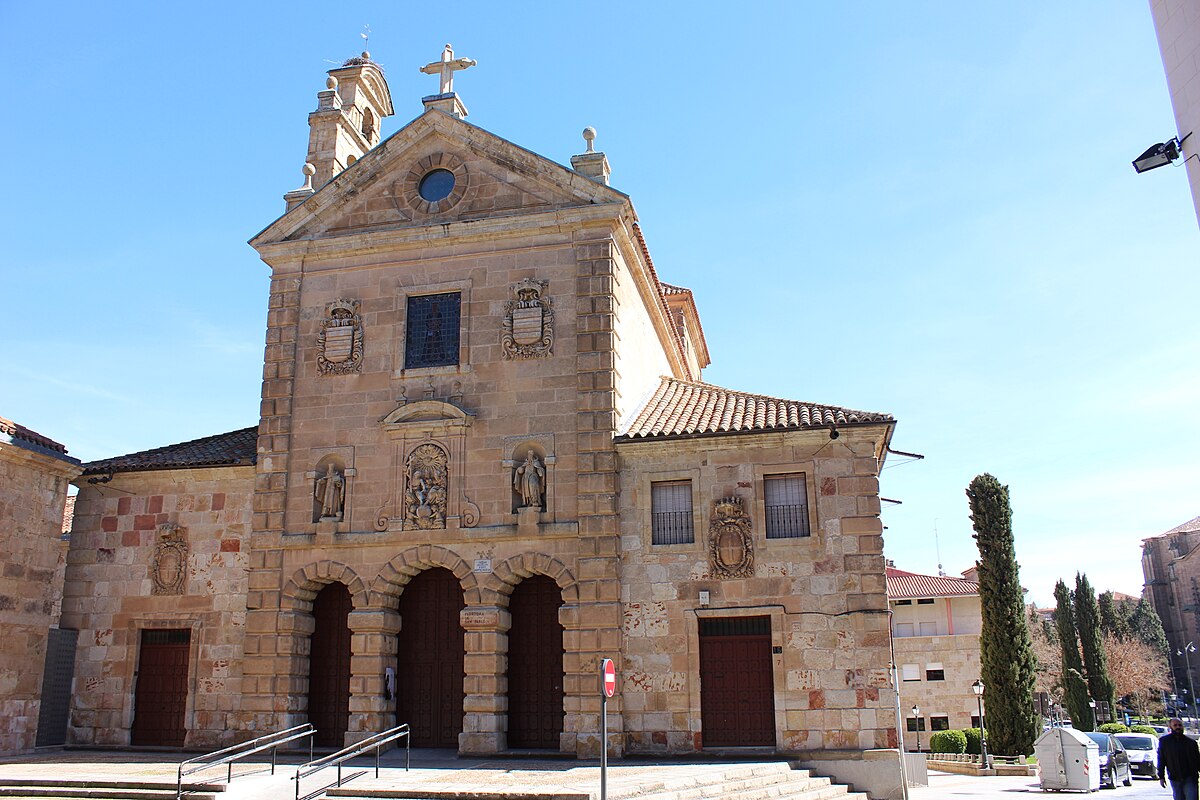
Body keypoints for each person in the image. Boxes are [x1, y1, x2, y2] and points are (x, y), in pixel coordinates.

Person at [1159, 717, 1200, 800]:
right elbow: (1161, 759)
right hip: (1175, 777)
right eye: (1175, 725)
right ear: (1170, 727)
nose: (1178, 727)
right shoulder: (1164, 742)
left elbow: (1198, 760)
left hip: (1190, 777)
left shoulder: (1191, 743)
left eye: (1180, 725)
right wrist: (1161, 776)